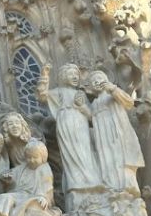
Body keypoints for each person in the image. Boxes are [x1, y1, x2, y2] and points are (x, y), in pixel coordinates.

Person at [38, 63, 100, 196]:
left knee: (85, 152)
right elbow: (42, 95)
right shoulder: (59, 92)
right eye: (71, 74)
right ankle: (76, 183)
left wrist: (82, 106)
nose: (75, 77)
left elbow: (91, 116)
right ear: (62, 76)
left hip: (81, 123)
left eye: (76, 74)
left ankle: (90, 181)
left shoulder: (80, 93)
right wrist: (45, 75)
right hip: (66, 122)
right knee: (71, 152)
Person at [88, 69, 143, 195]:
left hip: (117, 133)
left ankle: (127, 187)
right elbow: (90, 118)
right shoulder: (95, 103)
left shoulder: (113, 94)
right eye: (93, 81)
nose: (97, 82)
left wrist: (112, 89)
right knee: (107, 159)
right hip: (102, 137)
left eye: (99, 78)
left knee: (120, 157)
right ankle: (111, 187)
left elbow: (129, 102)